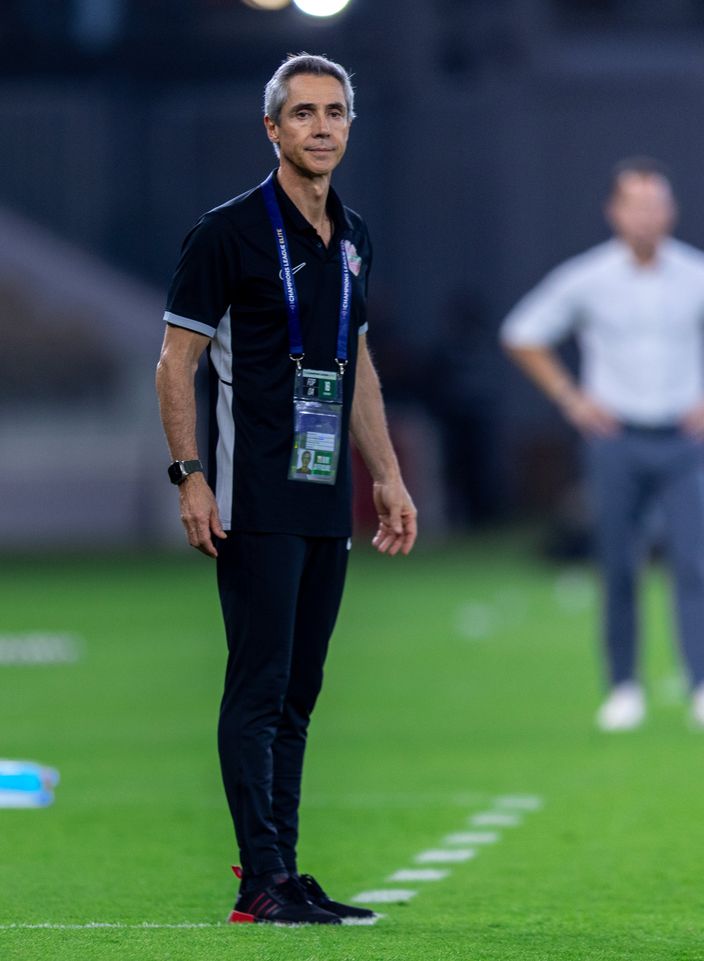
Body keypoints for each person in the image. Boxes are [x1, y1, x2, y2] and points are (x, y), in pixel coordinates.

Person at [156, 53, 417, 925]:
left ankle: (283, 872)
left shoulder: (354, 236)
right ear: (272, 129)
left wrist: (386, 475)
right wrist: (190, 477)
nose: (320, 127)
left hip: (322, 490)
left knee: (299, 693)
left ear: (350, 126)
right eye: (302, 114)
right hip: (250, 490)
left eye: (334, 113)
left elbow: (358, 365)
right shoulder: (227, 233)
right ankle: (258, 880)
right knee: (259, 686)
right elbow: (175, 361)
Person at [500, 157, 704, 732]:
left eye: (657, 205)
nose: (647, 217)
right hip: (616, 438)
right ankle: (623, 687)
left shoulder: (703, 275)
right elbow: (523, 333)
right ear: (614, 212)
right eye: (636, 205)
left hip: (682, 440)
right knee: (617, 564)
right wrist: (571, 398)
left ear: (671, 211)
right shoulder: (587, 277)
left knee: (694, 561)